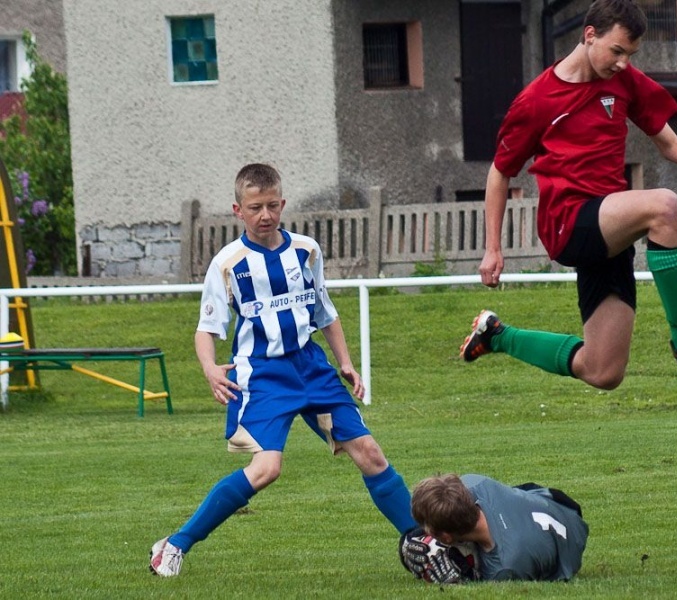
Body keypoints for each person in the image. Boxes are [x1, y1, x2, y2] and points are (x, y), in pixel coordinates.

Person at [460, 0, 677, 389]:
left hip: (609, 230)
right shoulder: (536, 100)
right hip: (568, 223)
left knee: (602, 371)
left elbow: (669, 143)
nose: (623, 63)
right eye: (617, 51)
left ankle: (496, 335)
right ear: (589, 34)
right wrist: (492, 248)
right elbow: (499, 173)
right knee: (664, 206)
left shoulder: (623, 81)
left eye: (631, 54)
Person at [149, 163, 416, 577]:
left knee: (371, 454)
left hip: (311, 367)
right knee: (267, 469)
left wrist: (344, 362)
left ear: (283, 203)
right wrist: (208, 369)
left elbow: (325, 312)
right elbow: (206, 329)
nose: (265, 215)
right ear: (238, 210)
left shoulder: (306, 250)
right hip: (261, 375)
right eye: (255, 207)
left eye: (272, 205)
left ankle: (421, 542)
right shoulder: (228, 262)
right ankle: (175, 544)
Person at [400, 473, 588, 582]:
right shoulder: (474, 482)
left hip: (571, 542)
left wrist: (461, 576)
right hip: (556, 503)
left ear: (447, 538)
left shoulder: (505, 567)